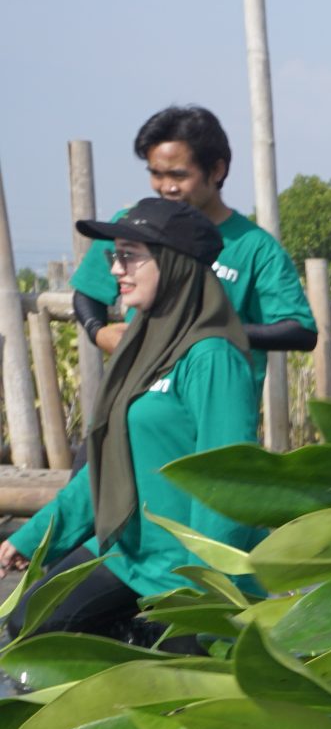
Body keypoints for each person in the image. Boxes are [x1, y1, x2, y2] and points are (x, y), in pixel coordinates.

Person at [4, 199, 265, 642]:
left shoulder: (212, 356)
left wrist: (200, 588)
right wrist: (34, 536)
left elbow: (228, 486)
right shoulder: (142, 347)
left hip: (185, 570)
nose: (115, 270)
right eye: (114, 255)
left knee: (168, 690)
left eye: (129, 255)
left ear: (175, 265)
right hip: (128, 553)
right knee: (30, 626)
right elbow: (109, 468)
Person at [69, 104, 315, 372]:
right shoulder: (131, 226)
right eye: (156, 174)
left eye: (179, 175)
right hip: (142, 396)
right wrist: (98, 332)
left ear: (217, 171)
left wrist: (204, 332)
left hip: (215, 397)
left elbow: (299, 331)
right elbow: (88, 291)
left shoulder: (255, 247)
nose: (167, 187)